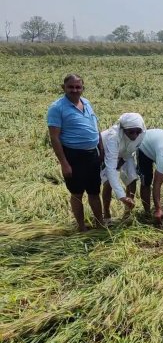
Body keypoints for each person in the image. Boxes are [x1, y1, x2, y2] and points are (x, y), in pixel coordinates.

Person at [47, 74, 105, 231]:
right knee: (77, 193)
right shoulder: (57, 108)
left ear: (82, 88)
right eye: (71, 87)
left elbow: (95, 127)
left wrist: (101, 149)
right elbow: (54, 137)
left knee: (94, 191)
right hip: (74, 156)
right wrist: (64, 163)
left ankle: (100, 224)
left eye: (78, 87)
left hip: (92, 155)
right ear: (63, 88)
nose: (74, 90)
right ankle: (81, 227)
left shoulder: (86, 103)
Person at [101, 113, 146, 222]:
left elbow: (132, 149)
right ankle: (106, 213)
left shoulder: (142, 133)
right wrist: (121, 196)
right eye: (131, 132)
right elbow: (111, 169)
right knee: (108, 182)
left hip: (125, 154)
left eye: (138, 132)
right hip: (106, 153)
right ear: (123, 129)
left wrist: (123, 160)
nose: (135, 135)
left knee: (132, 178)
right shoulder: (113, 137)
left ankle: (127, 213)